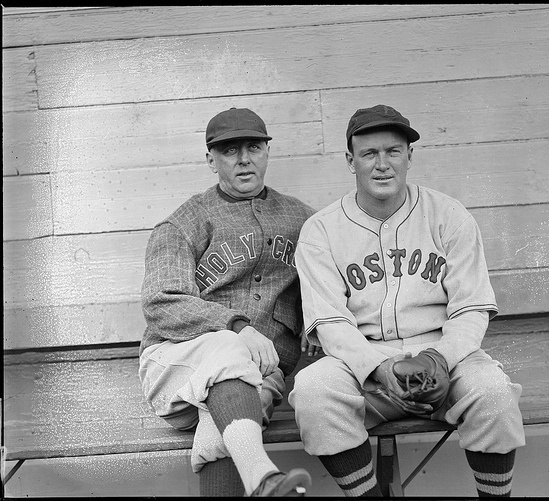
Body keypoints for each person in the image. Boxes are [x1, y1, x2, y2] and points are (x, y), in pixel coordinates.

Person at [289, 104, 526, 497]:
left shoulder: (449, 216)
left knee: (494, 393)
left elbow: (470, 309)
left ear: (409, 156)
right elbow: (330, 323)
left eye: (393, 151)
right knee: (314, 390)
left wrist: (440, 358)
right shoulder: (321, 231)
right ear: (351, 161)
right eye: (369, 154)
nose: (382, 164)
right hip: (364, 366)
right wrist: (378, 368)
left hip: (444, 357)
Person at [138, 107, 319, 497]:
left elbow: (333, 284)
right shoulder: (184, 222)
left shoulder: (305, 221)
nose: (243, 159)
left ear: (267, 152)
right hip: (175, 367)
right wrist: (238, 326)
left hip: (258, 378)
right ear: (210, 159)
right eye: (229, 151)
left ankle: (262, 483)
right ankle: (263, 476)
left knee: (224, 422)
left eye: (253, 147)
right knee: (226, 347)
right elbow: (160, 303)